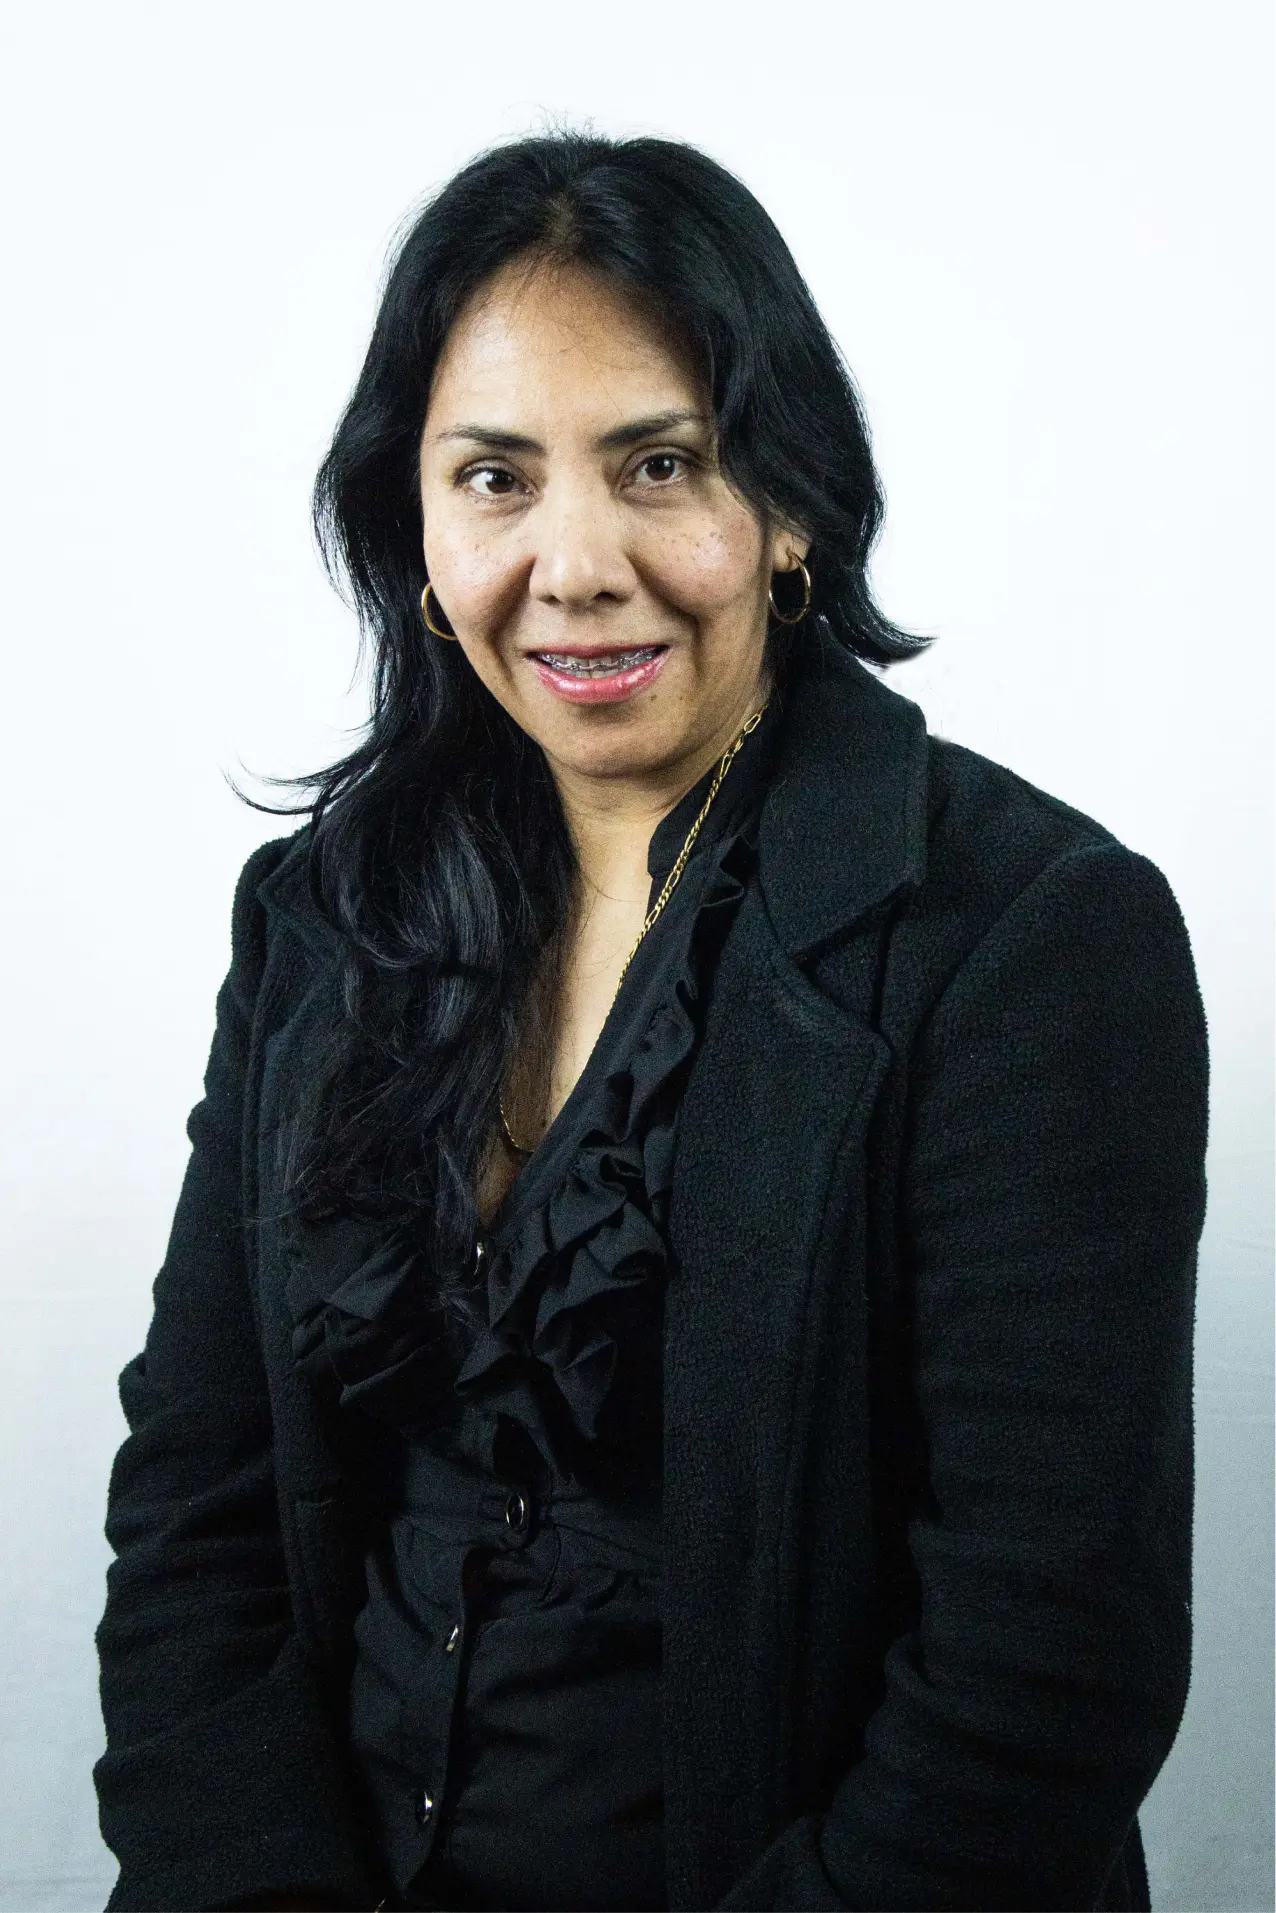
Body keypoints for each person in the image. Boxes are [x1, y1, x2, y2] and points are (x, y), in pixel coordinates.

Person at [93, 133, 1208, 1913]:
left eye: (660, 464)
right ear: (417, 523)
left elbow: (1043, 1669)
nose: (577, 562)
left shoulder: (1032, 938)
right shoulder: (320, 916)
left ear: (791, 508)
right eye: (495, 478)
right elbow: (196, 1515)